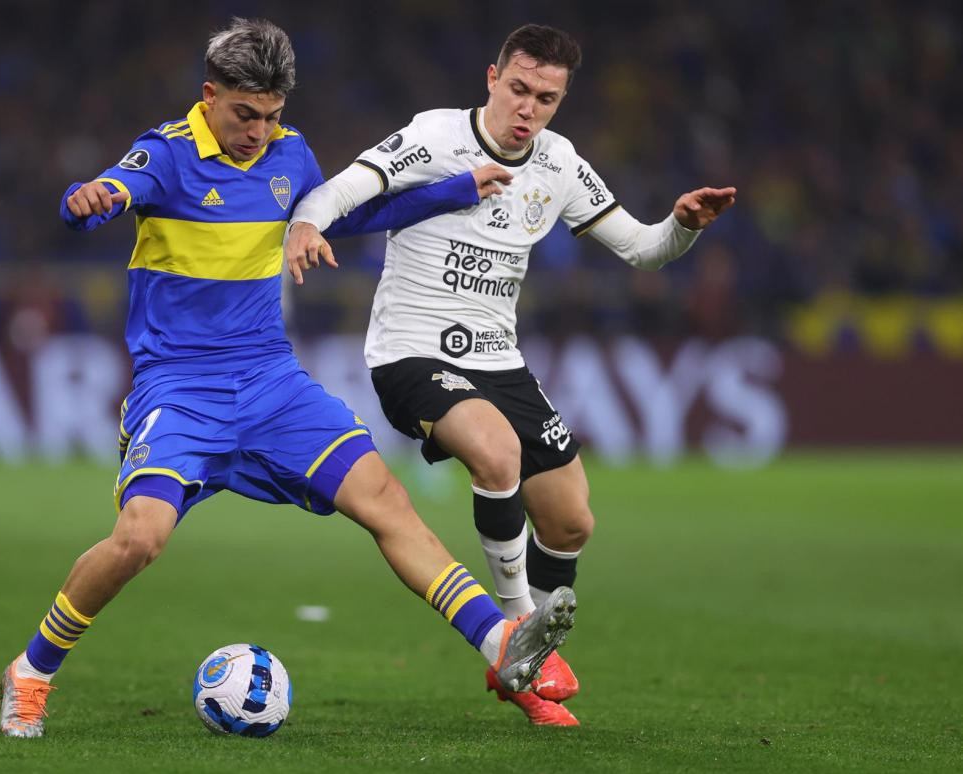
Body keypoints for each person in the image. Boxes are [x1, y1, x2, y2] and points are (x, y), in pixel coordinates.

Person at [0, 17, 577, 739]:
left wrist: (455, 188)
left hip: (271, 379)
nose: (259, 131)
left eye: (273, 116)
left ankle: (503, 647)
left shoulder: (289, 154)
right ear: (209, 96)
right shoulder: (166, 155)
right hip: (180, 387)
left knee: (385, 500)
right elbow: (110, 191)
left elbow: (358, 213)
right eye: (245, 115)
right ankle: (33, 670)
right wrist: (89, 200)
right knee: (140, 537)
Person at [285, 23, 736, 727]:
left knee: (572, 519)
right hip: (411, 351)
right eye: (519, 88)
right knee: (496, 452)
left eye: (546, 98)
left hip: (499, 360)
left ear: (560, 101)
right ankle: (519, 637)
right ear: (492, 79)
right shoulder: (435, 137)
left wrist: (684, 224)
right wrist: (306, 226)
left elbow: (644, 250)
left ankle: (525, 664)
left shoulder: (558, 164)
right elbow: (337, 192)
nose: (528, 107)